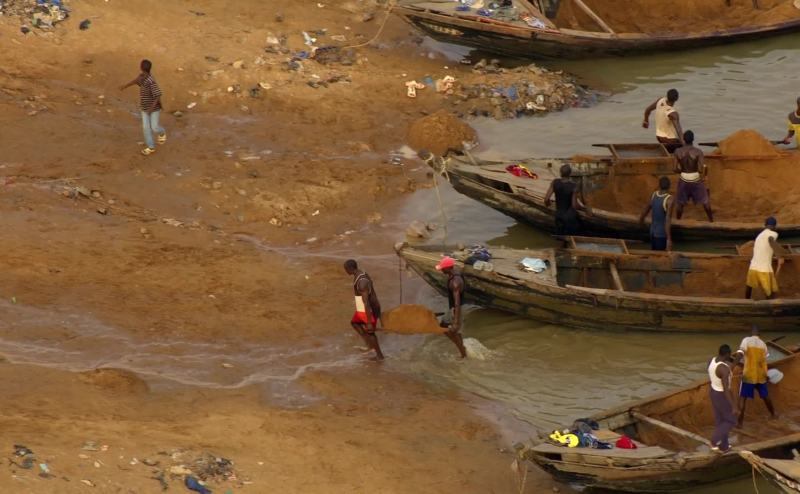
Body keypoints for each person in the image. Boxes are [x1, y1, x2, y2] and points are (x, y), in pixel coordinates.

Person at [120, 59, 166, 156]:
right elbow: (135, 81)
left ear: (141, 67)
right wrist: (125, 86)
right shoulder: (141, 77)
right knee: (146, 128)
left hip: (154, 109)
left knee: (154, 127)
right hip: (144, 108)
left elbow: (157, 96)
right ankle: (151, 147)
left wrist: (150, 109)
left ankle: (162, 132)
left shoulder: (151, 81)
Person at [735, 326, 776, 427]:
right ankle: (774, 414)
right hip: (761, 375)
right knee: (765, 396)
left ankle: (739, 423)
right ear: (759, 334)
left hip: (749, 374)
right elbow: (764, 360)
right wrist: (766, 374)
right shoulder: (763, 344)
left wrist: (733, 365)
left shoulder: (746, 340)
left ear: (751, 332)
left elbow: (740, 353)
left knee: (742, 398)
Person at [344, 259, 384, 361]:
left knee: (370, 332)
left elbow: (366, 302)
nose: (345, 271)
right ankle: (370, 346)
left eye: (345, 269)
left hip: (368, 309)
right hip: (362, 308)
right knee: (354, 323)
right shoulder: (361, 274)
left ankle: (379, 356)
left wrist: (369, 322)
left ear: (349, 269)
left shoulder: (361, 283)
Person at [674, 130, 713, 222]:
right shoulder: (698, 152)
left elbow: (674, 168)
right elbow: (701, 169)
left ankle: (678, 221)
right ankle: (711, 221)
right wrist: (703, 175)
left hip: (683, 178)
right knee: (705, 201)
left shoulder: (677, 151)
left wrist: (683, 171)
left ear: (683, 139)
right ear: (693, 139)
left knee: (680, 203)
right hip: (695, 178)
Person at [746, 217, 787, 300]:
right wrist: (780, 256)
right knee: (769, 291)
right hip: (764, 269)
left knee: (749, 286)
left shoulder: (759, 235)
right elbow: (771, 241)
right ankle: (769, 304)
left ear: (765, 225)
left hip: (752, 267)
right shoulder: (773, 234)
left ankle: (746, 300)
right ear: (775, 227)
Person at [544, 164, 591, 236]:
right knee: (573, 235)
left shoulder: (555, 182)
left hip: (558, 216)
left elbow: (546, 199)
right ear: (570, 174)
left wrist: (548, 204)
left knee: (560, 237)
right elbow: (574, 205)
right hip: (569, 218)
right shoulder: (574, 186)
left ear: (560, 173)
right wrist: (584, 209)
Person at [435, 256, 467, 359]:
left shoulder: (455, 283)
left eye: (443, 268)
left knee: (447, 329)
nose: (441, 270)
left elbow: (457, 303)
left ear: (448, 268)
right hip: (455, 307)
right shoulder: (455, 273)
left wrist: (456, 321)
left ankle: (463, 354)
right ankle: (462, 348)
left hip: (457, 308)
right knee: (449, 328)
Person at [708, 344, 737, 452]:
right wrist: (734, 406)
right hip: (721, 395)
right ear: (727, 354)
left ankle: (724, 446)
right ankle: (713, 441)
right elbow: (726, 389)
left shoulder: (711, 360)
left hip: (713, 391)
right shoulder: (724, 369)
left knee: (720, 420)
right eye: (730, 354)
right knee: (731, 420)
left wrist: (737, 358)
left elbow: (716, 375)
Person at [639, 176, 674, 251]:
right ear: (669, 186)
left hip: (652, 232)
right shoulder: (669, 199)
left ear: (659, 185)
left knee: (653, 252)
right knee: (661, 256)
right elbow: (667, 220)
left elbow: (645, 210)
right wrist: (669, 239)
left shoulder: (654, 195)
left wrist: (641, 222)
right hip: (661, 235)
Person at [643, 89, 684, 153]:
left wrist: (646, 121)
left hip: (659, 137)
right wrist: (685, 145)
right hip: (669, 140)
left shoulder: (660, 100)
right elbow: (678, 130)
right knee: (685, 145)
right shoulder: (673, 113)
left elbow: (648, 110)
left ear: (667, 96)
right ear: (677, 98)